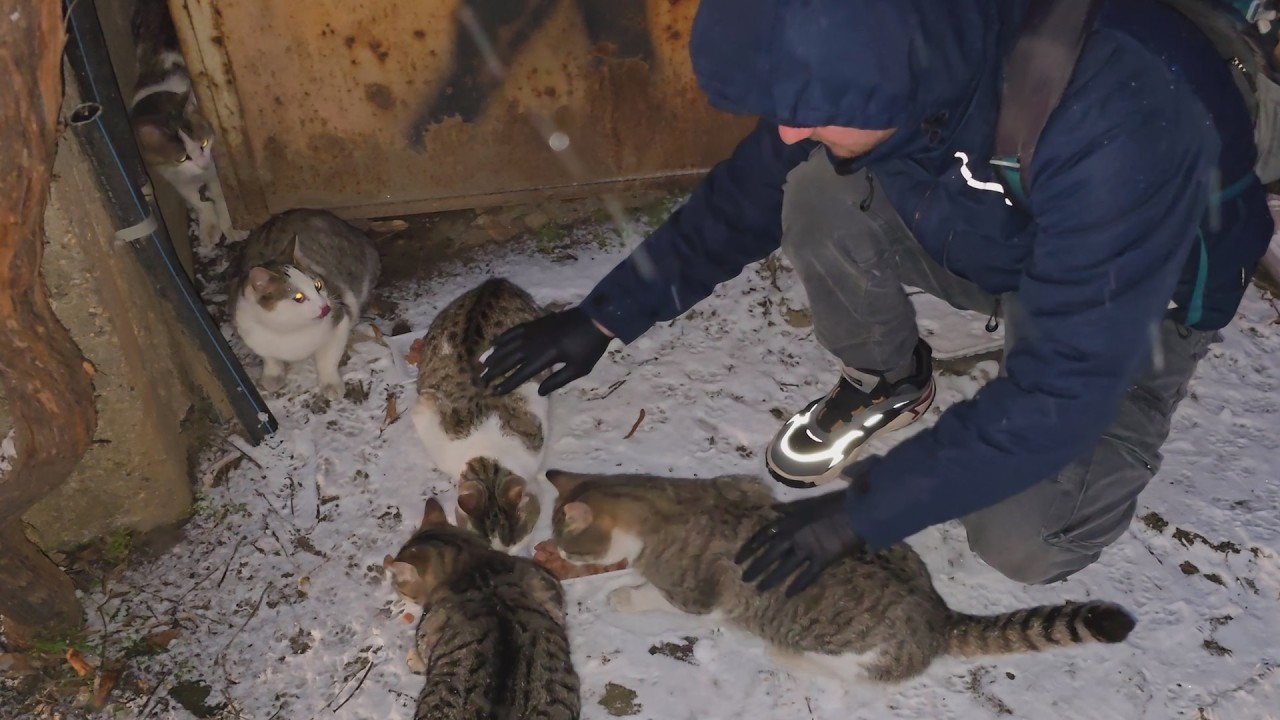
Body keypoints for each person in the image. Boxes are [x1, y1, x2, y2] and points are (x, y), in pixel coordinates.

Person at [480, 0, 1275, 596]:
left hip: (1138, 288)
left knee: (1022, 544)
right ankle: (891, 381)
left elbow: (1060, 393)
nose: (788, 129)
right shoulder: (885, 58)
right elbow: (748, 192)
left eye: (812, 112)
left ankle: (1109, 450)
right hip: (1002, 226)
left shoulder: (1114, 115)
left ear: (896, 87)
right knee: (814, 190)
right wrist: (605, 316)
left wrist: (862, 514)